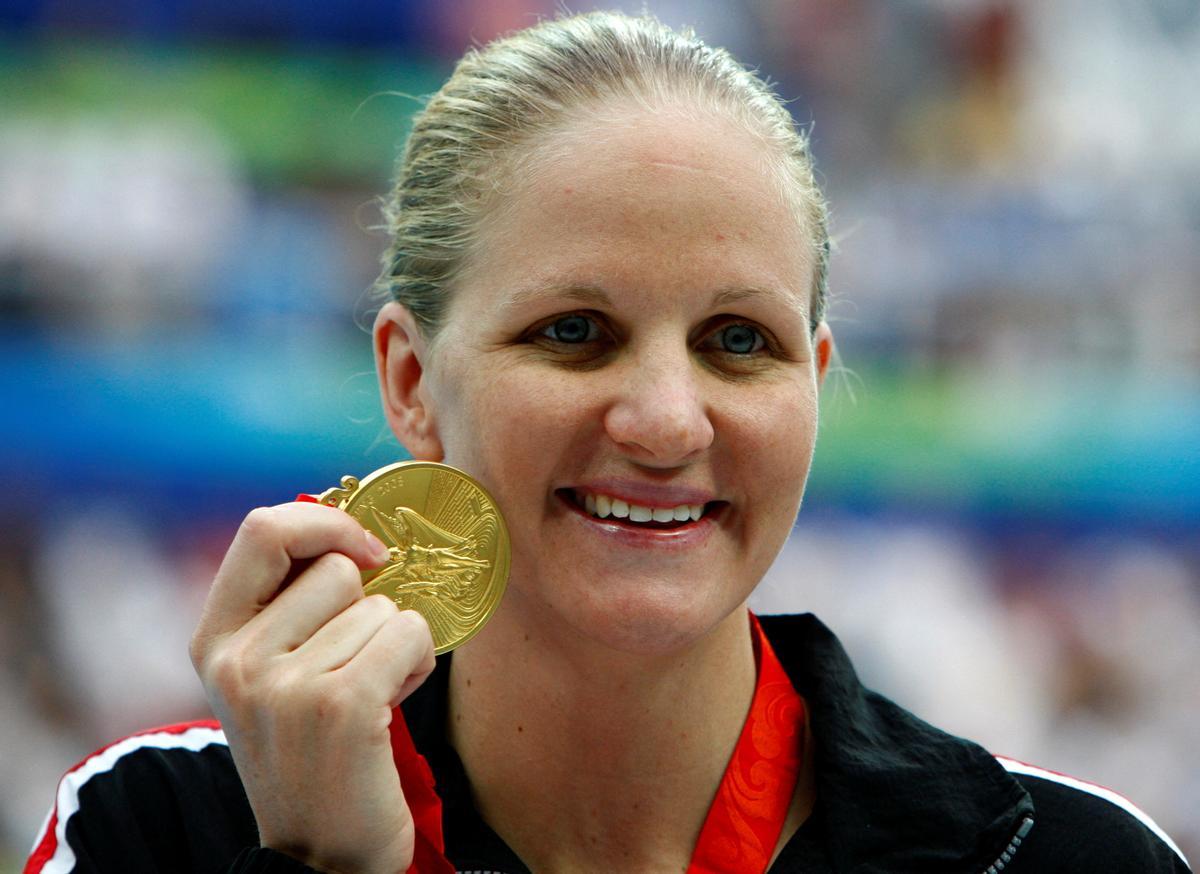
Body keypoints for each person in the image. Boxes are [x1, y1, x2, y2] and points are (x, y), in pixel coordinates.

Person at [26, 12, 1190, 874]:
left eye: (740, 341)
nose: (669, 419)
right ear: (411, 377)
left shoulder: (1066, 863)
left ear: (817, 385)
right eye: (574, 332)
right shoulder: (156, 833)